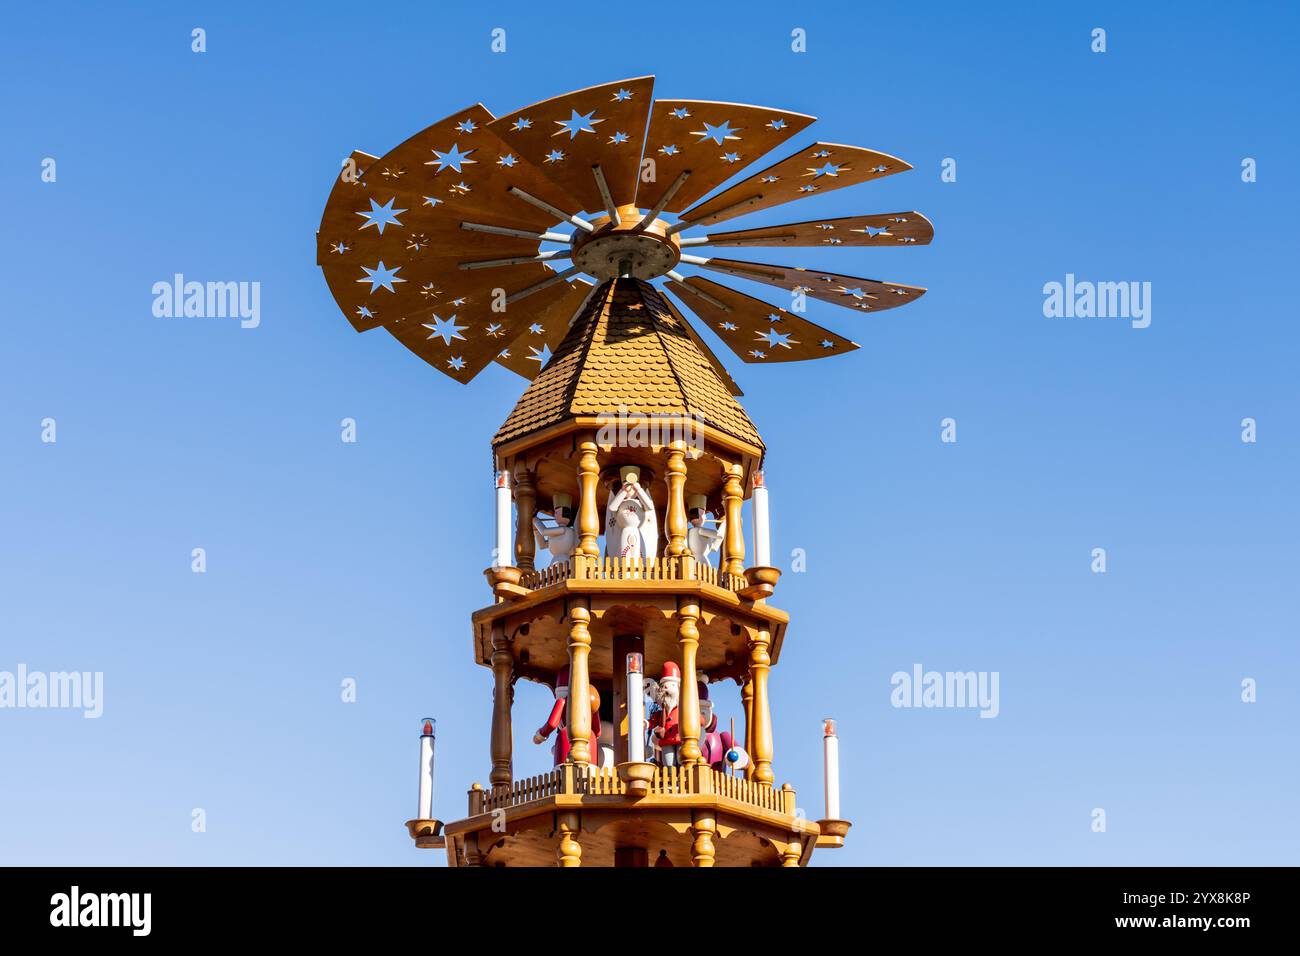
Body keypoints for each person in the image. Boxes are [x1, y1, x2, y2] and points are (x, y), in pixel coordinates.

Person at [532, 493, 576, 568]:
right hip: (555, 562)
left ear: (565, 514)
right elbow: (542, 545)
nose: (555, 515)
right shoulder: (560, 533)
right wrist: (535, 529)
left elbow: (543, 532)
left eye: (556, 512)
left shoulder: (564, 530)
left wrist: (535, 520)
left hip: (563, 562)